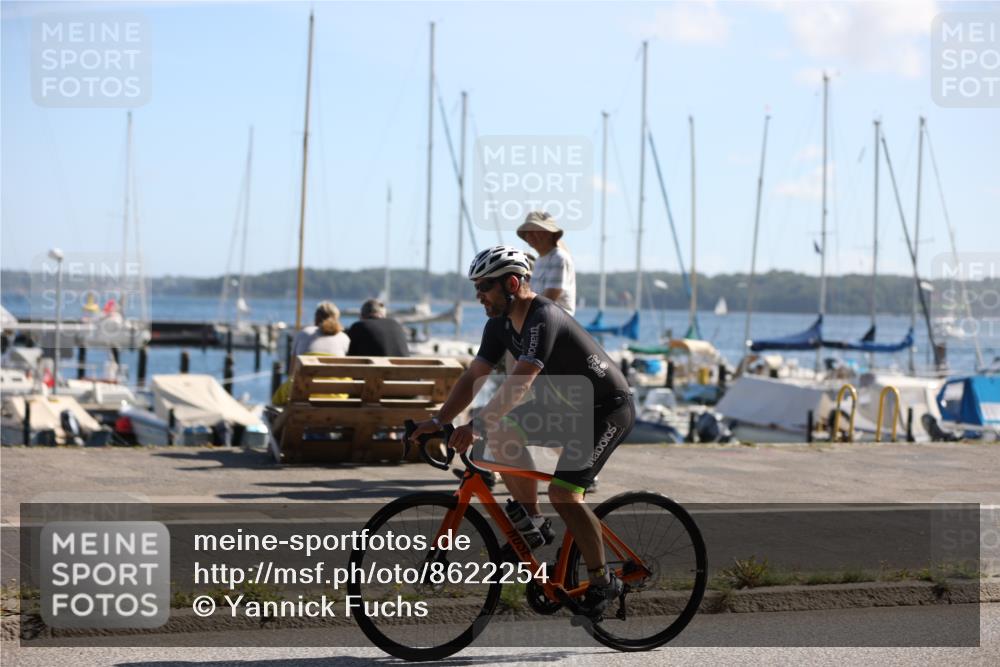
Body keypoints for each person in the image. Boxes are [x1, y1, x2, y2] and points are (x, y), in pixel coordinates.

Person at [410, 245, 634, 619]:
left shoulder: (543, 317)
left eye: (484, 287)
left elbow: (522, 383)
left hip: (606, 410)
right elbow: (473, 375)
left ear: (512, 283)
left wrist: (478, 425)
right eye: (475, 288)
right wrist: (438, 420)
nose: (478, 296)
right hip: (569, 408)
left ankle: (602, 580)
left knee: (564, 494)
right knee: (502, 432)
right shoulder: (498, 325)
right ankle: (533, 522)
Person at [517, 211, 576, 316]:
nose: (530, 235)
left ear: (549, 233)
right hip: (541, 319)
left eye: (535, 230)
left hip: (556, 323)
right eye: (527, 232)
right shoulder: (540, 260)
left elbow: (547, 300)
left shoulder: (559, 258)